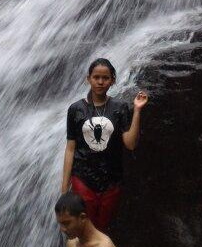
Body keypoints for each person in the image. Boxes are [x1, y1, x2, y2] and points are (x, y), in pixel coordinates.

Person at [61, 58, 149, 231]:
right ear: (88, 79)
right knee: (82, 228)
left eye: (105, 78)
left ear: (113, 80)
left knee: (101, 229)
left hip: (111, 181)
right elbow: (70, 148)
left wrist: (137, 110)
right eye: (96, 77)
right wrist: (64, 189)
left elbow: (130, 144)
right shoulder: (75, 109)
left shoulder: (120, 107)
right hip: (83, 179)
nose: (100, 82)